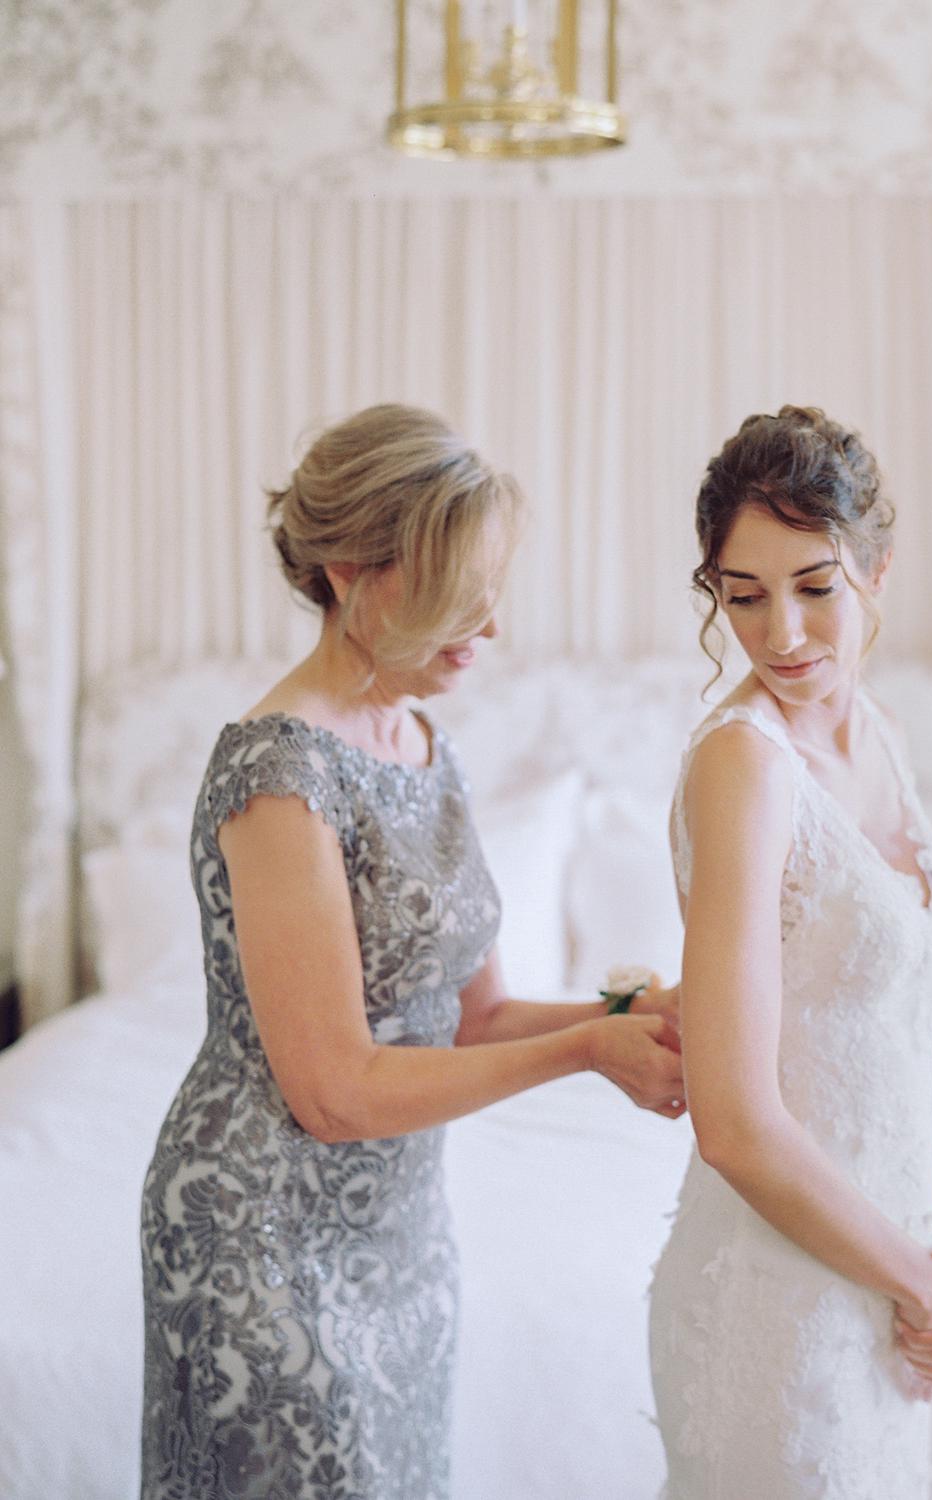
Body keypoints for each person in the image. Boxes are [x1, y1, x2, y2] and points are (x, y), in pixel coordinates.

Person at [139, 403, 683, 1500]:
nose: (487, 626)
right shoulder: (280, 776)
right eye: (454, 595)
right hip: (262, 1240)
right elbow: (336, 1089)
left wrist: (627, 1019)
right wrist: (585, 1057)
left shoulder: (428, 743)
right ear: (349, 571)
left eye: (492, 590)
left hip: (402, 1237)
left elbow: (474, 1018)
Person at [649, 407, 932, 1498]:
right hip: (782, 1297)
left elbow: (909, 1006)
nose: (783, 634)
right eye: (743, 597)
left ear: (878, 569)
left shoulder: (878, 730)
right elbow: (737, 1123)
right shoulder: (744, 767)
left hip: (890, 1273)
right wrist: (922, 1287)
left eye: (814, 586)